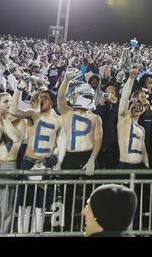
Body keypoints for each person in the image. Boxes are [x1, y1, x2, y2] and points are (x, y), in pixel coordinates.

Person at [10, 79, 62, 233]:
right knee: (24, 205)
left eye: (45, 97)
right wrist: (19, 90)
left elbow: (60, 143)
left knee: (40, 206)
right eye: (40, 96)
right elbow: (14, 111)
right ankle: (21, 234)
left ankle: (36, 234)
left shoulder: (59, 120)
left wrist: (56, 156)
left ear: (52, 101)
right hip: (29, 162)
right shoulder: (33, 114)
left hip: (45, 164)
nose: (41, 99)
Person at [57, 68, 103, 230]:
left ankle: (89, 227)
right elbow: (61, 97)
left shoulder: (95, 117)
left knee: (90, 197)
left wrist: (92, 159)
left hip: (87, 157)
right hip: (70, 157)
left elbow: (98, 139)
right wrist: (66, 81)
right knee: (68, 197)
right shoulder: (68, 112)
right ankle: (67, 229)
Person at [0, 92, 26, 233]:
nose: (10, 104)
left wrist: (4, 119)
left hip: (9, 168)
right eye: (6, 101)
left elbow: (15, 137)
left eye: (11, 101)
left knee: (4, 211)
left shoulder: (21, 122)